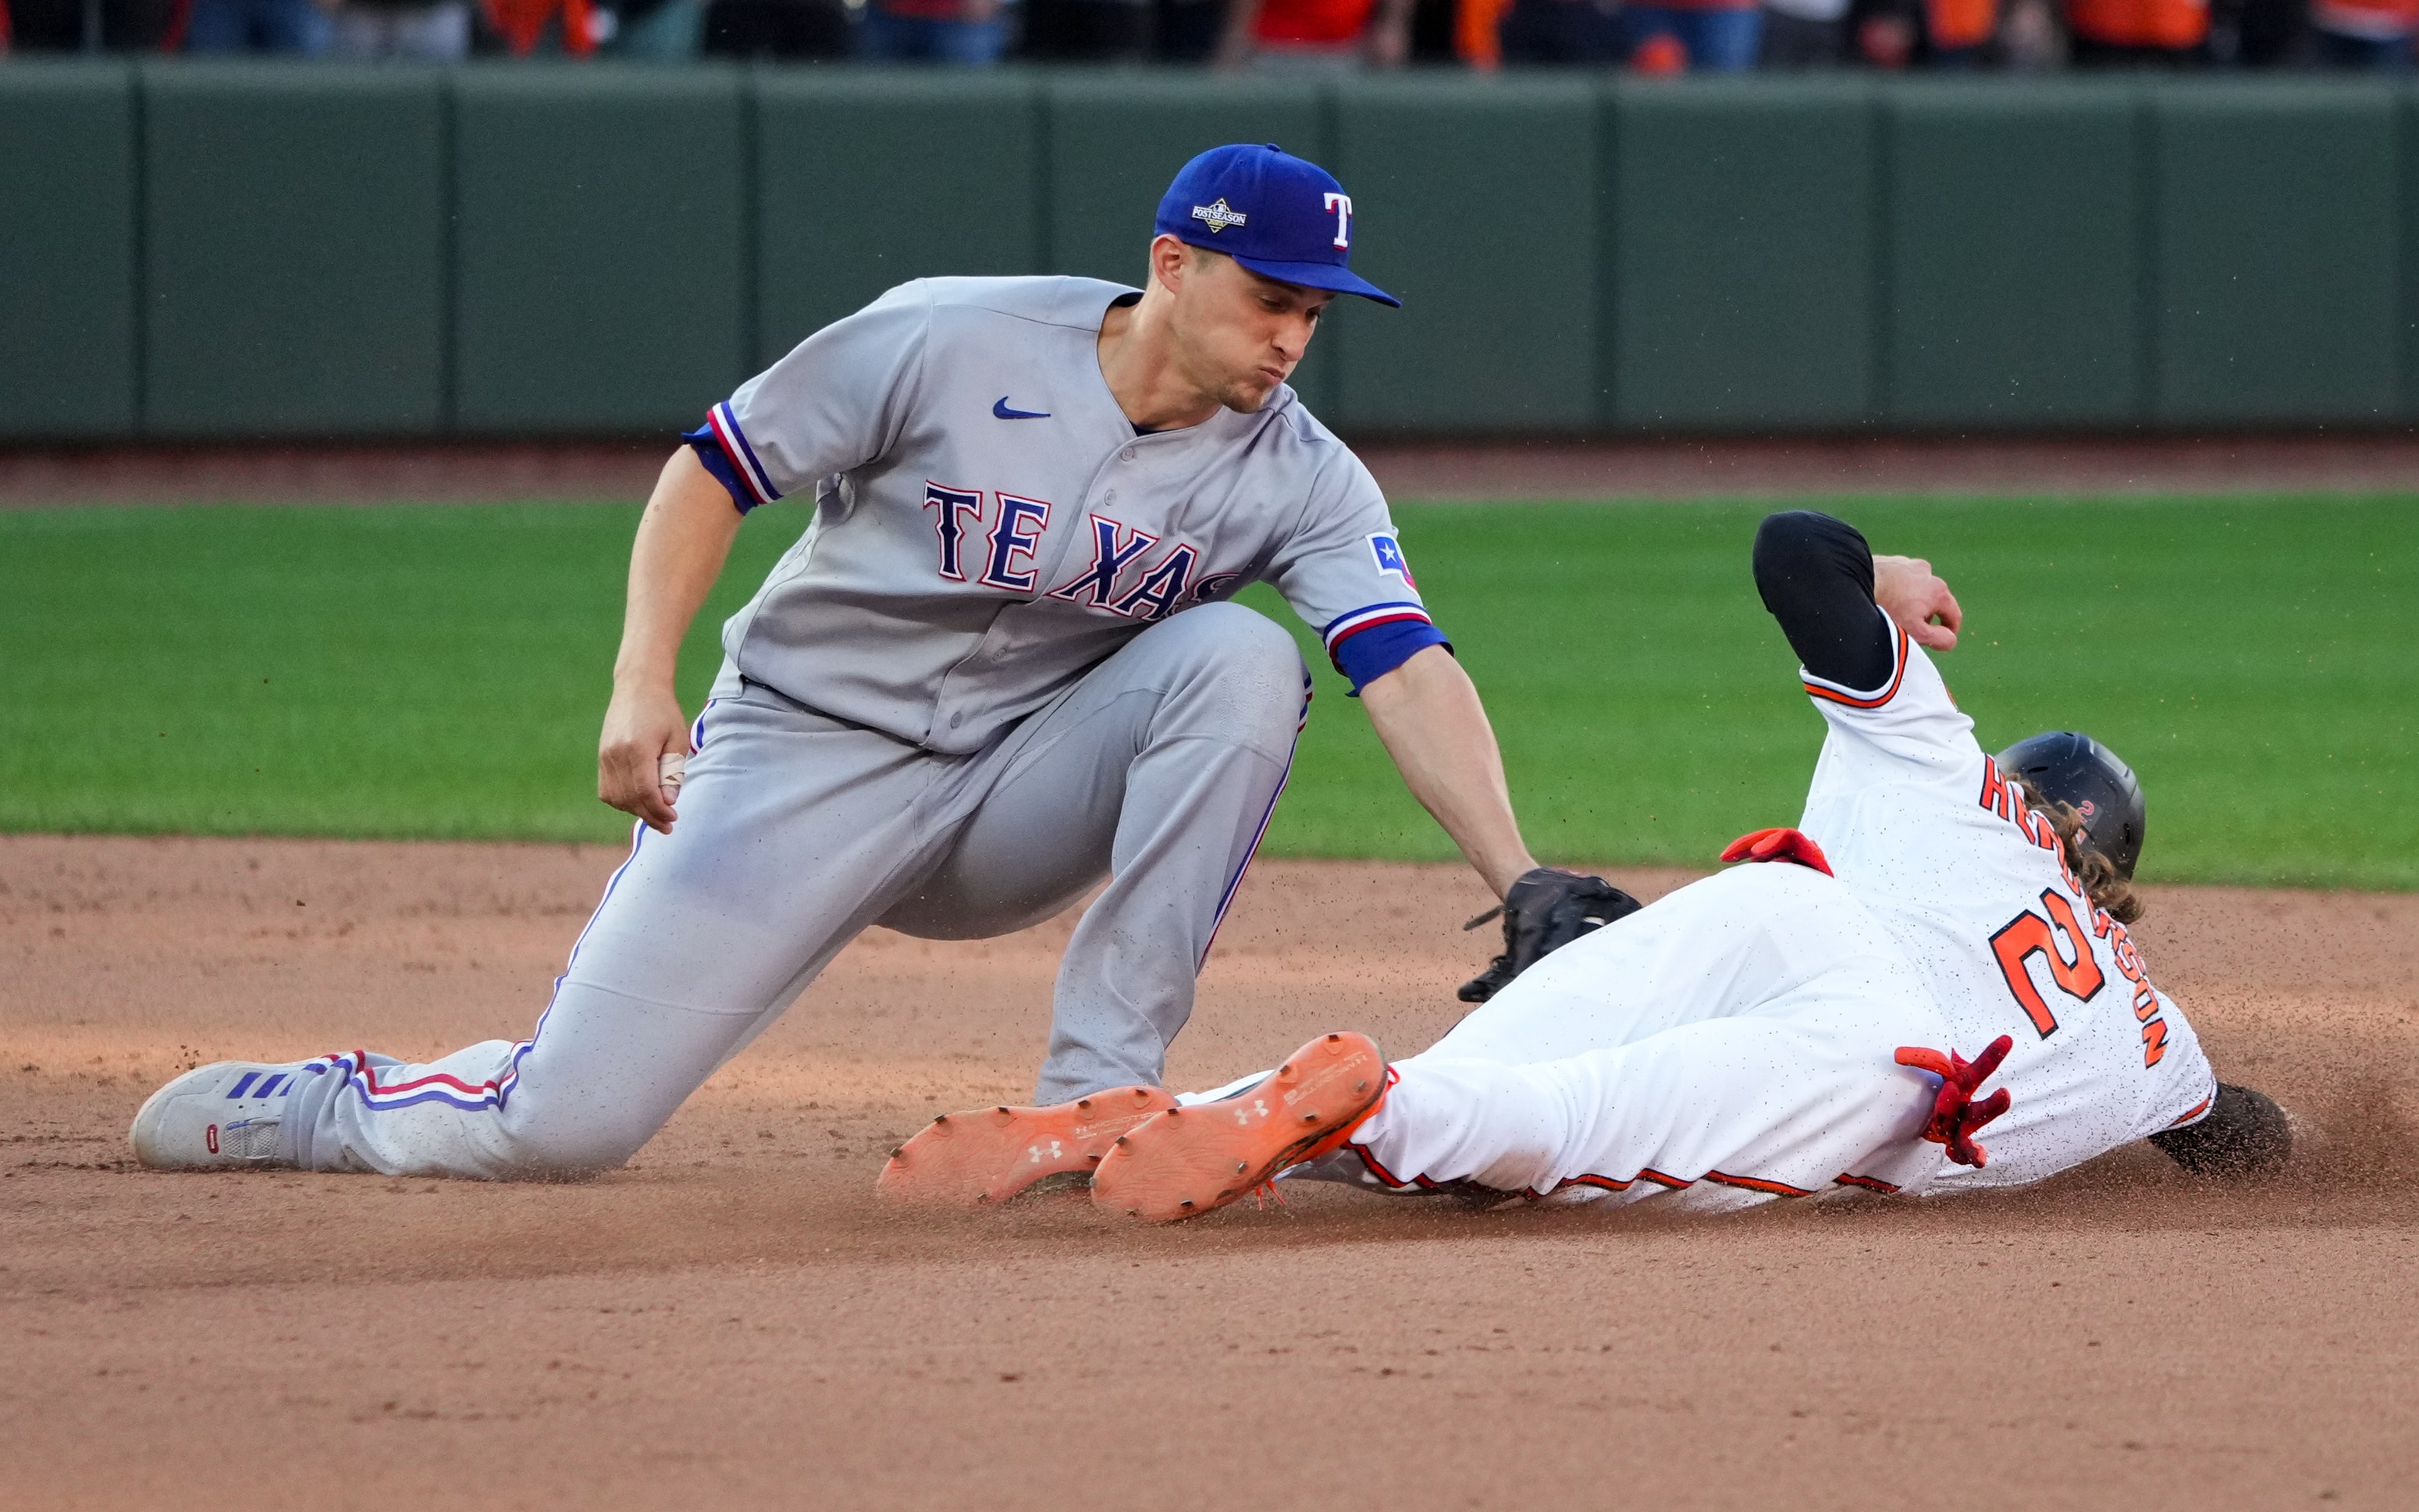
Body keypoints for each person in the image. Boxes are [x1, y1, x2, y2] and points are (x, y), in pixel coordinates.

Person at [127, 144, 1649, 1182]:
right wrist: (637, 680)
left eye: (1314, 313)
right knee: (561, 1130)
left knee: (1241, 666)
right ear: (1172, 267)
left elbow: (1400, 657)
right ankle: (334, 1100)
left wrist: (1515, 864)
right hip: (797, 758)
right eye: (1270, 301)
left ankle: (1087, 1100)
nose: (1292, 340)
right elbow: (714, 465)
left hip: (1010, 791)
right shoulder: (948, 337)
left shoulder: (1300, 471)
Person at [882, 511, 2289, 1219]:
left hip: (1775, 913)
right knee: (1562, 1133)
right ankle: (1360, 1107)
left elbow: (1789, 552)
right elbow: (2241, 1137)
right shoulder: (2150, 1029)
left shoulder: (1954, 774)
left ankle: (1161, 1116)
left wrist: (1885, 573)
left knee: (1493, 1064)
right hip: (1879, 1055)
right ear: (2106, 874)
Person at [1215, 0, 1415, 68]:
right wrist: (1235, 46)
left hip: (1347, 53)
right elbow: (1241, 24)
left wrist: (1393, 24)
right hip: (1274, 54)